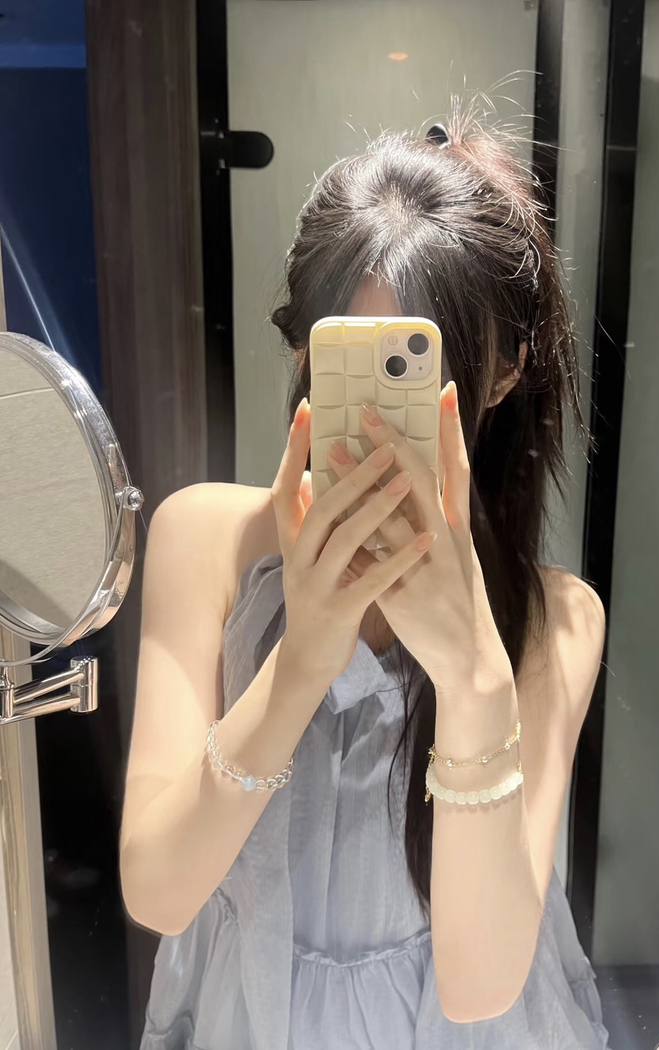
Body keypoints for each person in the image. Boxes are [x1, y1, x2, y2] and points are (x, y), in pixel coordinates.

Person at [121, 103, 610, 1050]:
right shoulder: (205, 541)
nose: (386, 413)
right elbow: (157, 892)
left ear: (505, 372)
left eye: (419, 362)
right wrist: (301, 658)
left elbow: (479, 988)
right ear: (304, 344)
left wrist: (473, 678)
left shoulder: (554, 621)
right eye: (354, 354)